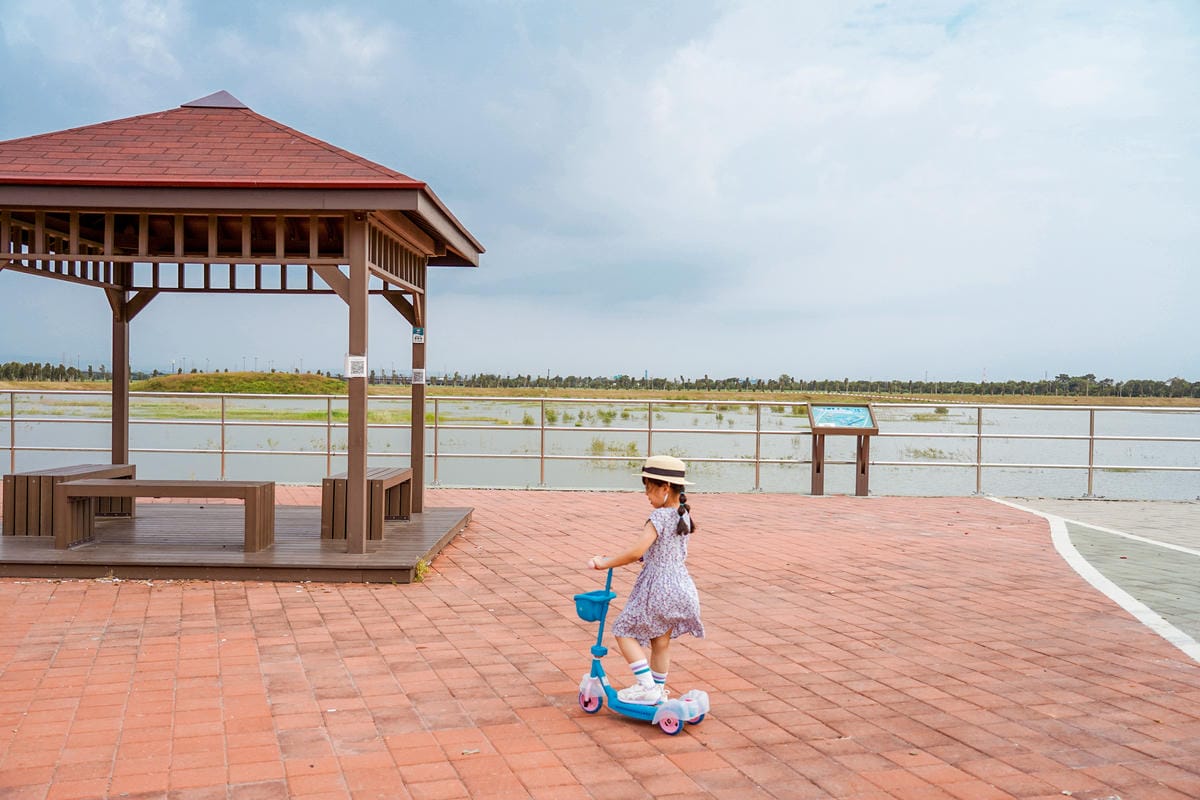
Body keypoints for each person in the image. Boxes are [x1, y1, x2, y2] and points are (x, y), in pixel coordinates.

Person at [587, 454, 705, 705]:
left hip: (658, 587)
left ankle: (647, 686)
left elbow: (635, 552)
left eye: (649, 488)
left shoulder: (659, 517)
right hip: (681, 587)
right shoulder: (682, 515)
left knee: (623, 630)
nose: (646, 494)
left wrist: (604, 562)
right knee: (660, 641)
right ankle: (657, 690)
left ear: (665, 488)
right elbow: (665, 549)